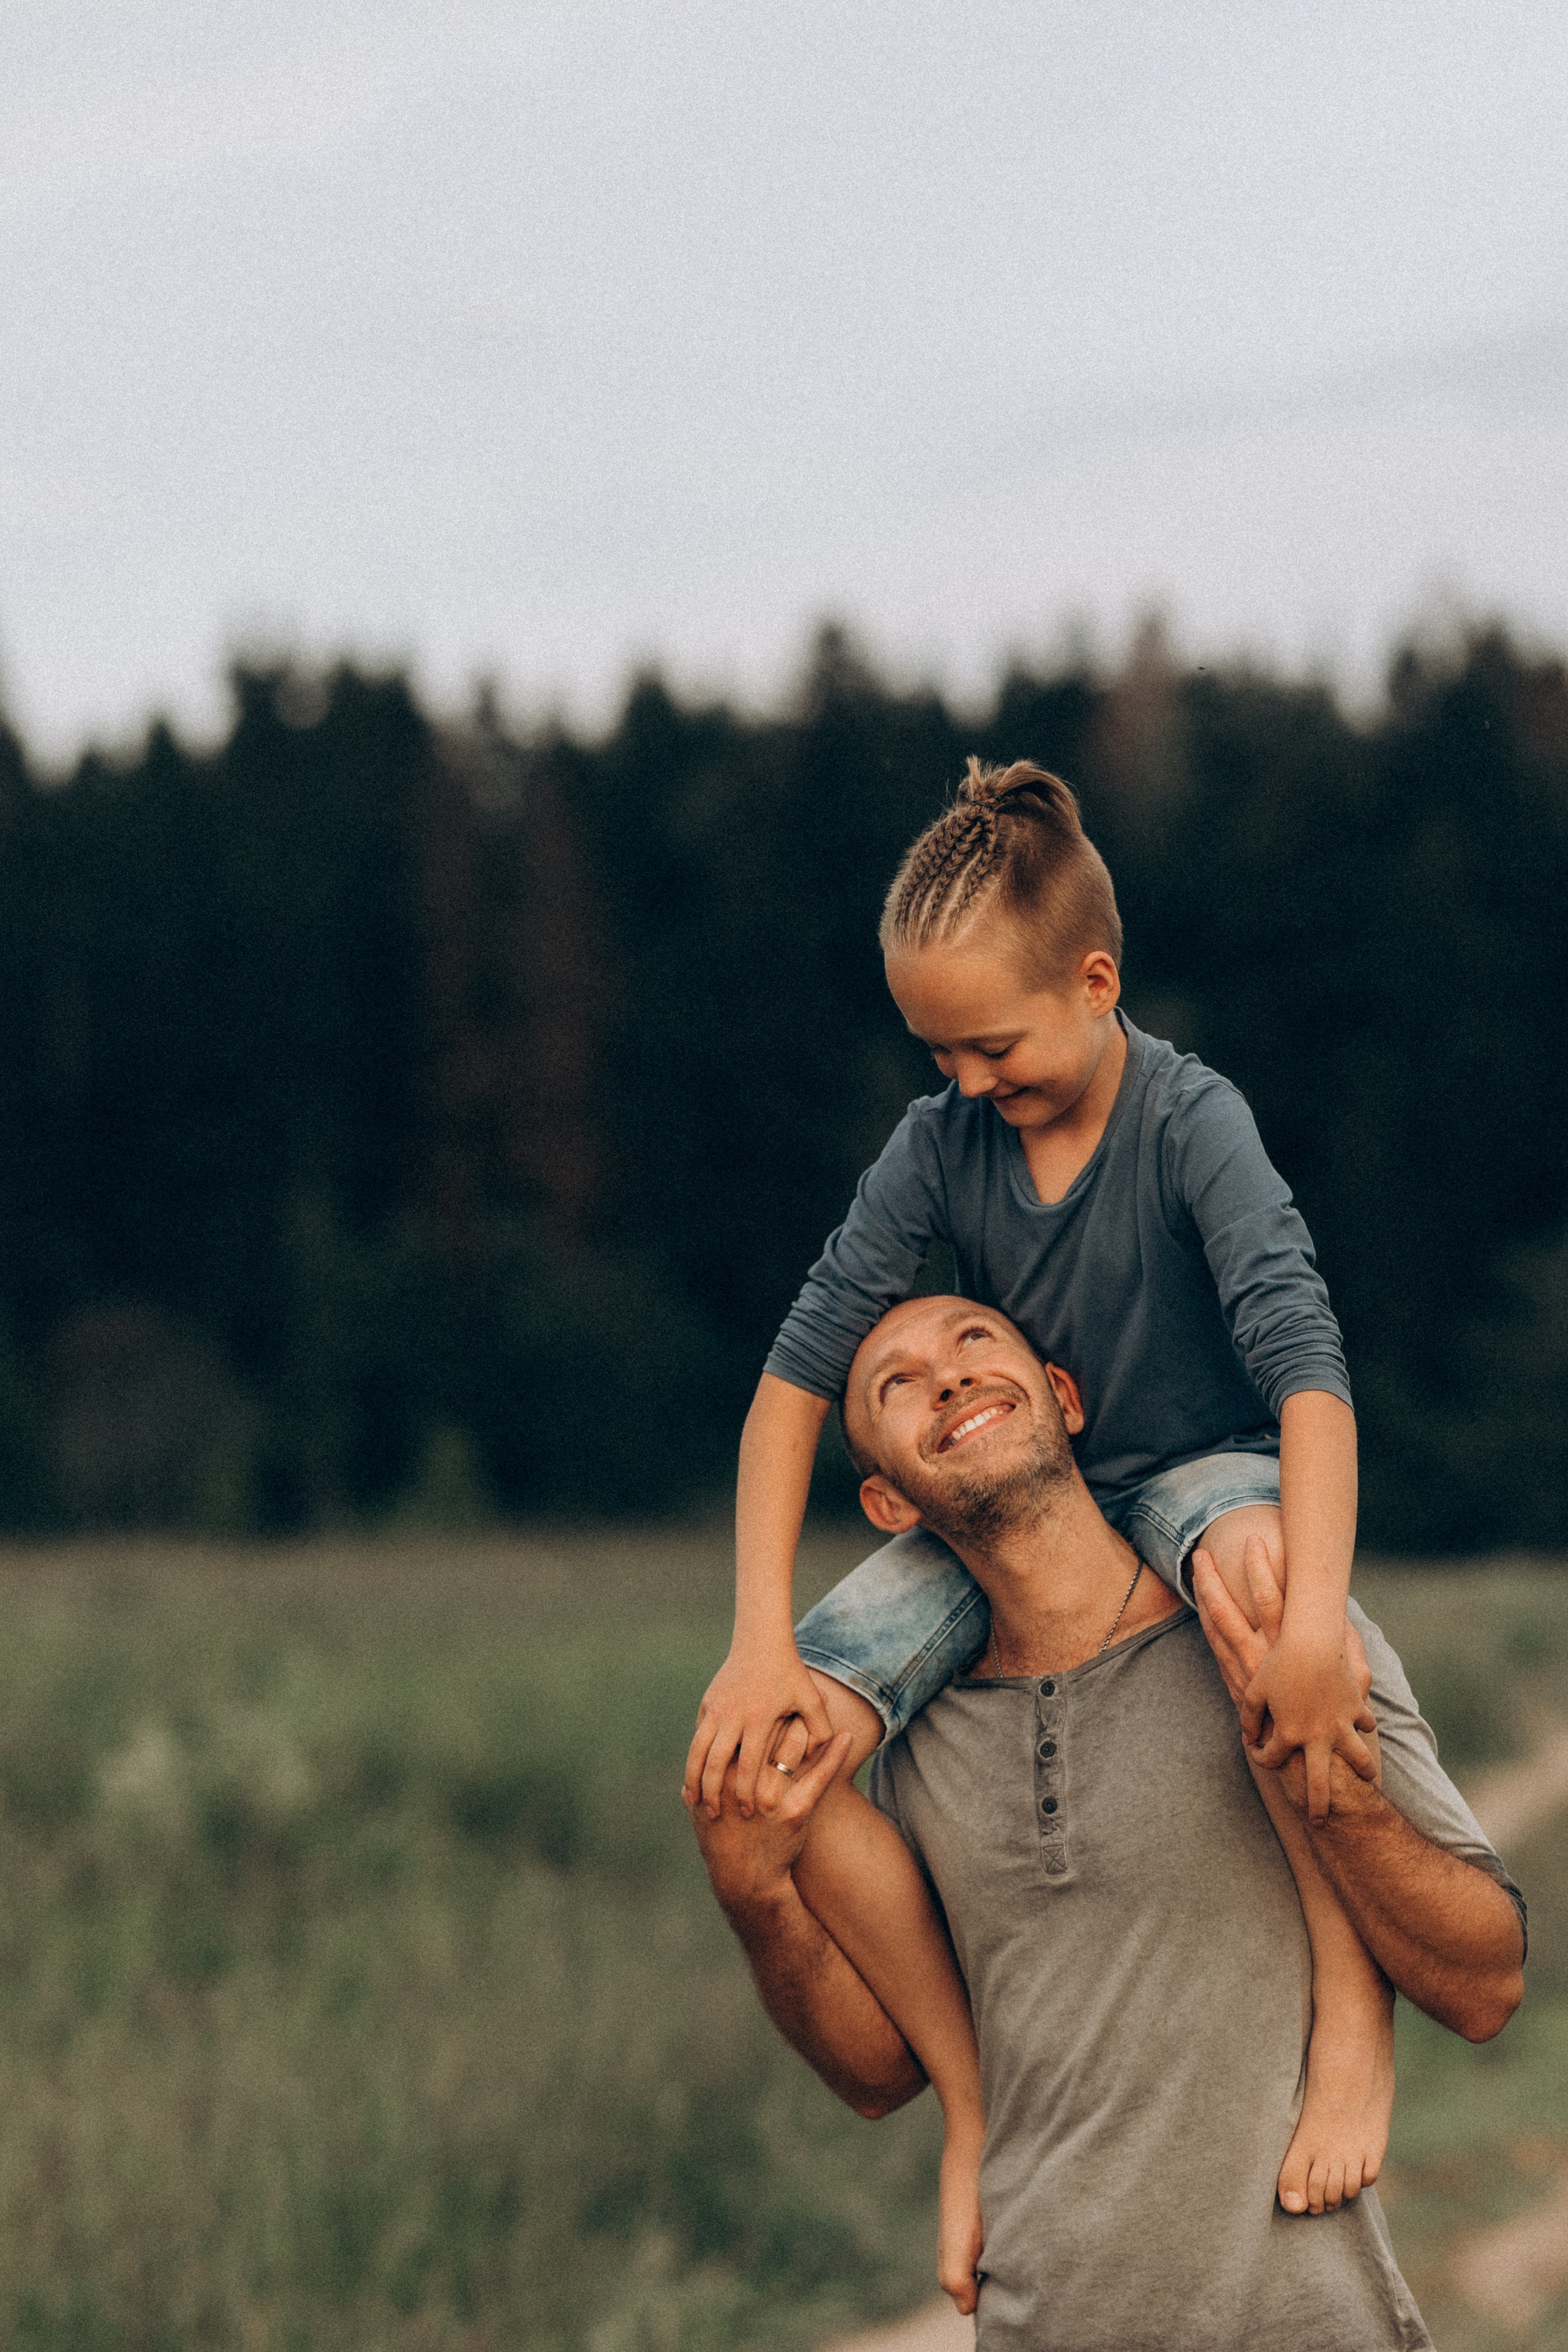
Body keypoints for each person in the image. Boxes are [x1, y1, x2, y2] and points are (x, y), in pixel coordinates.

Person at [685, 757, 1387, 2286]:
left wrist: (1319, 1622)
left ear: (1093, 982)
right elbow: (789, 1387)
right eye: (933, 1052)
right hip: (1034, 1496)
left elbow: (1306, 1373)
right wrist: (753, 1647)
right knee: (784, 1744)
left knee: (1265, 1587)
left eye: (988, 1046)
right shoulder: (941, 1142)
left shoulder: (1192, 1121)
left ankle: (1349, 2012)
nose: (961, 1082)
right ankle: (972, 2109)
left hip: (1194, 1474)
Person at [688, 1297, 1525, 2345]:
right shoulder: (911, 1748)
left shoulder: (1279, 1626)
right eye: (896, 1384)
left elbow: (1486, 1985)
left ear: (1067, 1397)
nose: (945, 1377)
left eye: (973, 1341)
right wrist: (754, 1894)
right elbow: (875, 2076)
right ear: (887, 1504)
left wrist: (1332, 1789)